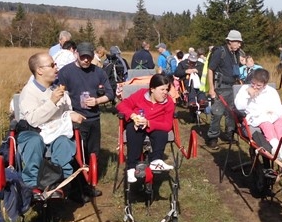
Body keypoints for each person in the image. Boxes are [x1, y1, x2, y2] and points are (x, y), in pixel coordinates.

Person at [16, 52, 85, 196]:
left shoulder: (58, 90)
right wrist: (52, 102)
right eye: (52, 65)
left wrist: (72, 115)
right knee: (34, 142)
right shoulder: (29, 92)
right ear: (39, 70)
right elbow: (33, 120)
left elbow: (66, 112)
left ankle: (57, 182)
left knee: (64, 142)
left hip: (56, 131)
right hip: (33, 132)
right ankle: (32, 185)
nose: (56, 68)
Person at [57, 42, 114, 197]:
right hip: (75, 120)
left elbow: (110, 94)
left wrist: (97, 101)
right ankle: (77, 189)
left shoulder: (99, 72)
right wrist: (68, 112)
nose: (86, 60)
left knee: (92, 152)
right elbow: (57, 93)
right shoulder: (66, 72)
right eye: (83, 57)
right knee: (77, 154)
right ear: (76, 54)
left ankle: (89, 184)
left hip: (94, 118)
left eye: (88, 57)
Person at [116, 74, 176, 183]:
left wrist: (149, 123)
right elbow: (122, 105)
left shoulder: (168, 103)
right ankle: (131, 167)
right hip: (137, 122)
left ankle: (156, 161)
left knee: (162, 132)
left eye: (167, 89)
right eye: (162, 89)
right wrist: (133, 116)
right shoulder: (141, 95)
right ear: (152, 89)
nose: (165, 92)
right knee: (133, 130)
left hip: (155, 126)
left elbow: (167, 125)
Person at [234, 68, 282, 162]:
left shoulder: (271, 91)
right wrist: (248, 94)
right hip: (256, 117)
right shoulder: (245, 89)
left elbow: (278, 108)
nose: (255, 87)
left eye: (258, 85)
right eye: (253, 83)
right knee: (267, 124)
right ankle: (275, 146)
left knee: (280, 123)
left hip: (272, 115)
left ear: (265, 84)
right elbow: (239, 106)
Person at [206, 29, 243, 150]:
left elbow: (236, 70)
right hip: (220, 88)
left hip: (233, 87)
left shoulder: (236, 53)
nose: (239, 44)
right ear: (229, 41)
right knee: (217, 113)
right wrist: (211, 89)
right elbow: (210, 70)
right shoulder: (219, 52)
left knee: (231, 113)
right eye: (237, 42)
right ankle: (213, 138)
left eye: (239, 42)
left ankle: (229, 134)